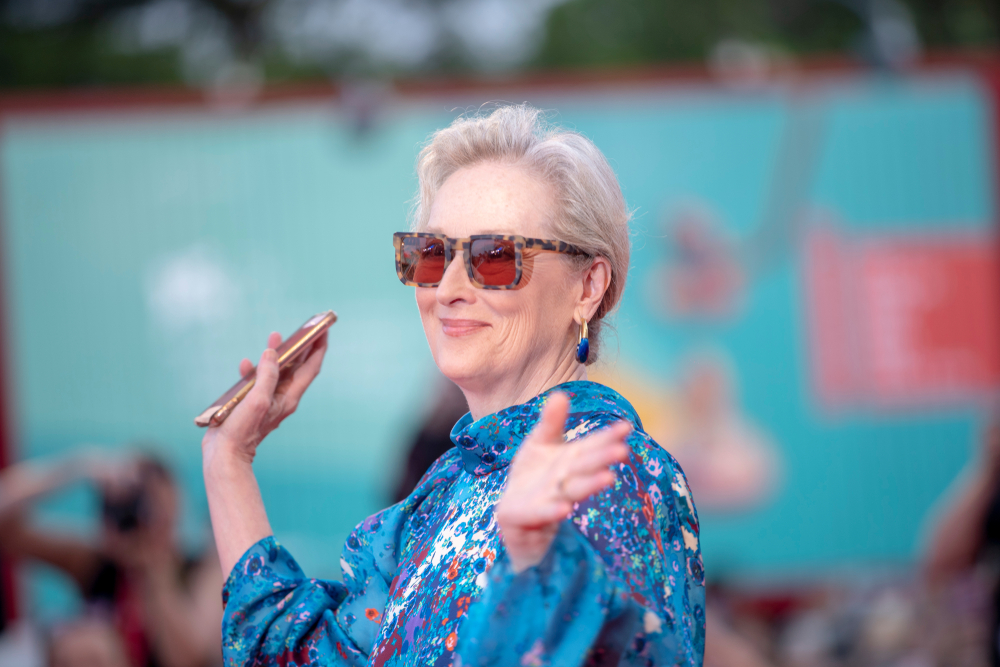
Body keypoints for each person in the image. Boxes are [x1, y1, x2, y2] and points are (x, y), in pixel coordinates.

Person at [202, 104, 706, 667]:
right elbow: (302, 659)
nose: (447, 288)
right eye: (432, 254)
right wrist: (230, 461)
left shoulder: (613, 473)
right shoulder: (442, 495)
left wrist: (529, 563)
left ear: (588, 285)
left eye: (495, 257)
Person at [0, 451, 224, 667]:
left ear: (173, 506)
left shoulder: (202, 571)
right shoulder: (94, 561)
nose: (132, 515)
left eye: (144, 504)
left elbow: (190, 660)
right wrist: (79, 467)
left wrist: (155, 568)